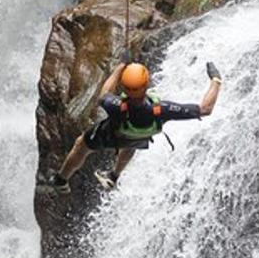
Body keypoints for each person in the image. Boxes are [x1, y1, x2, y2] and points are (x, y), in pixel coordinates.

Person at [47, 61, 223, 193]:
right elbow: (205, 109)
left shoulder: (115, 105)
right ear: (147, 84)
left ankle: (61, 180)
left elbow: (104, 94)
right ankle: (113, 176)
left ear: (124, 87)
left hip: (111, 136)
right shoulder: (162, 109)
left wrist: (120, 67)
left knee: (82, 145)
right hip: (139, 139)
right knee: (133, 142)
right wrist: (216, 80)